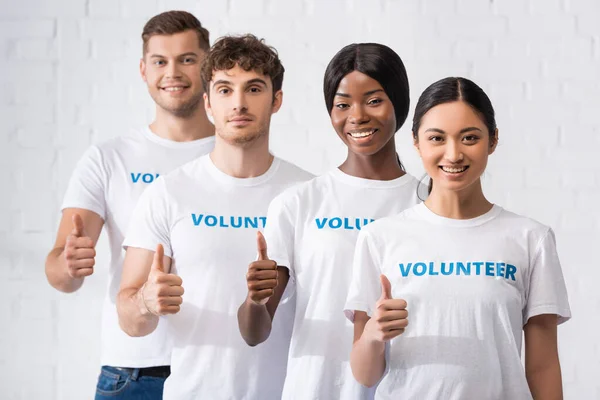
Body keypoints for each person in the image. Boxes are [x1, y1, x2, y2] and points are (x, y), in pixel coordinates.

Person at [346, 76, 571, 399]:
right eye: (437, 138)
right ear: (416, 142)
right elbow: (364, 375)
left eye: (469, 138)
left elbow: (543, 366)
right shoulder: (380, 237)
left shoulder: (530, 238)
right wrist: (372, 336)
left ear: (492, 140)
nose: (453, 154)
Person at [116, 34, 313, 400]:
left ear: (277, 101)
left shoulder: (309, 195)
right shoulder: (168, 193)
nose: (238, 103)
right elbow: (129, 320)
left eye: (254, 89)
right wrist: (146, 300)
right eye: (225, 90)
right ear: (208, 103)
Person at [44, 10, 214, 399]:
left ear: (208, 66)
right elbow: (60, 273)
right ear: (143, 70)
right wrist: (69, 264)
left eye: (187, 59)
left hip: (221, 368)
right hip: (133, 371)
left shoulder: (236, 156)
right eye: (160, 61)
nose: (173, 72)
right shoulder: (109, 159)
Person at [237, 43, 420, 399]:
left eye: (373, 100)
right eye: (342, 104)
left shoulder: (426, 202)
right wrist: (254, 300)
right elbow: (254, 333)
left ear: (400, 102)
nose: (357, 116)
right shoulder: (299, 202)